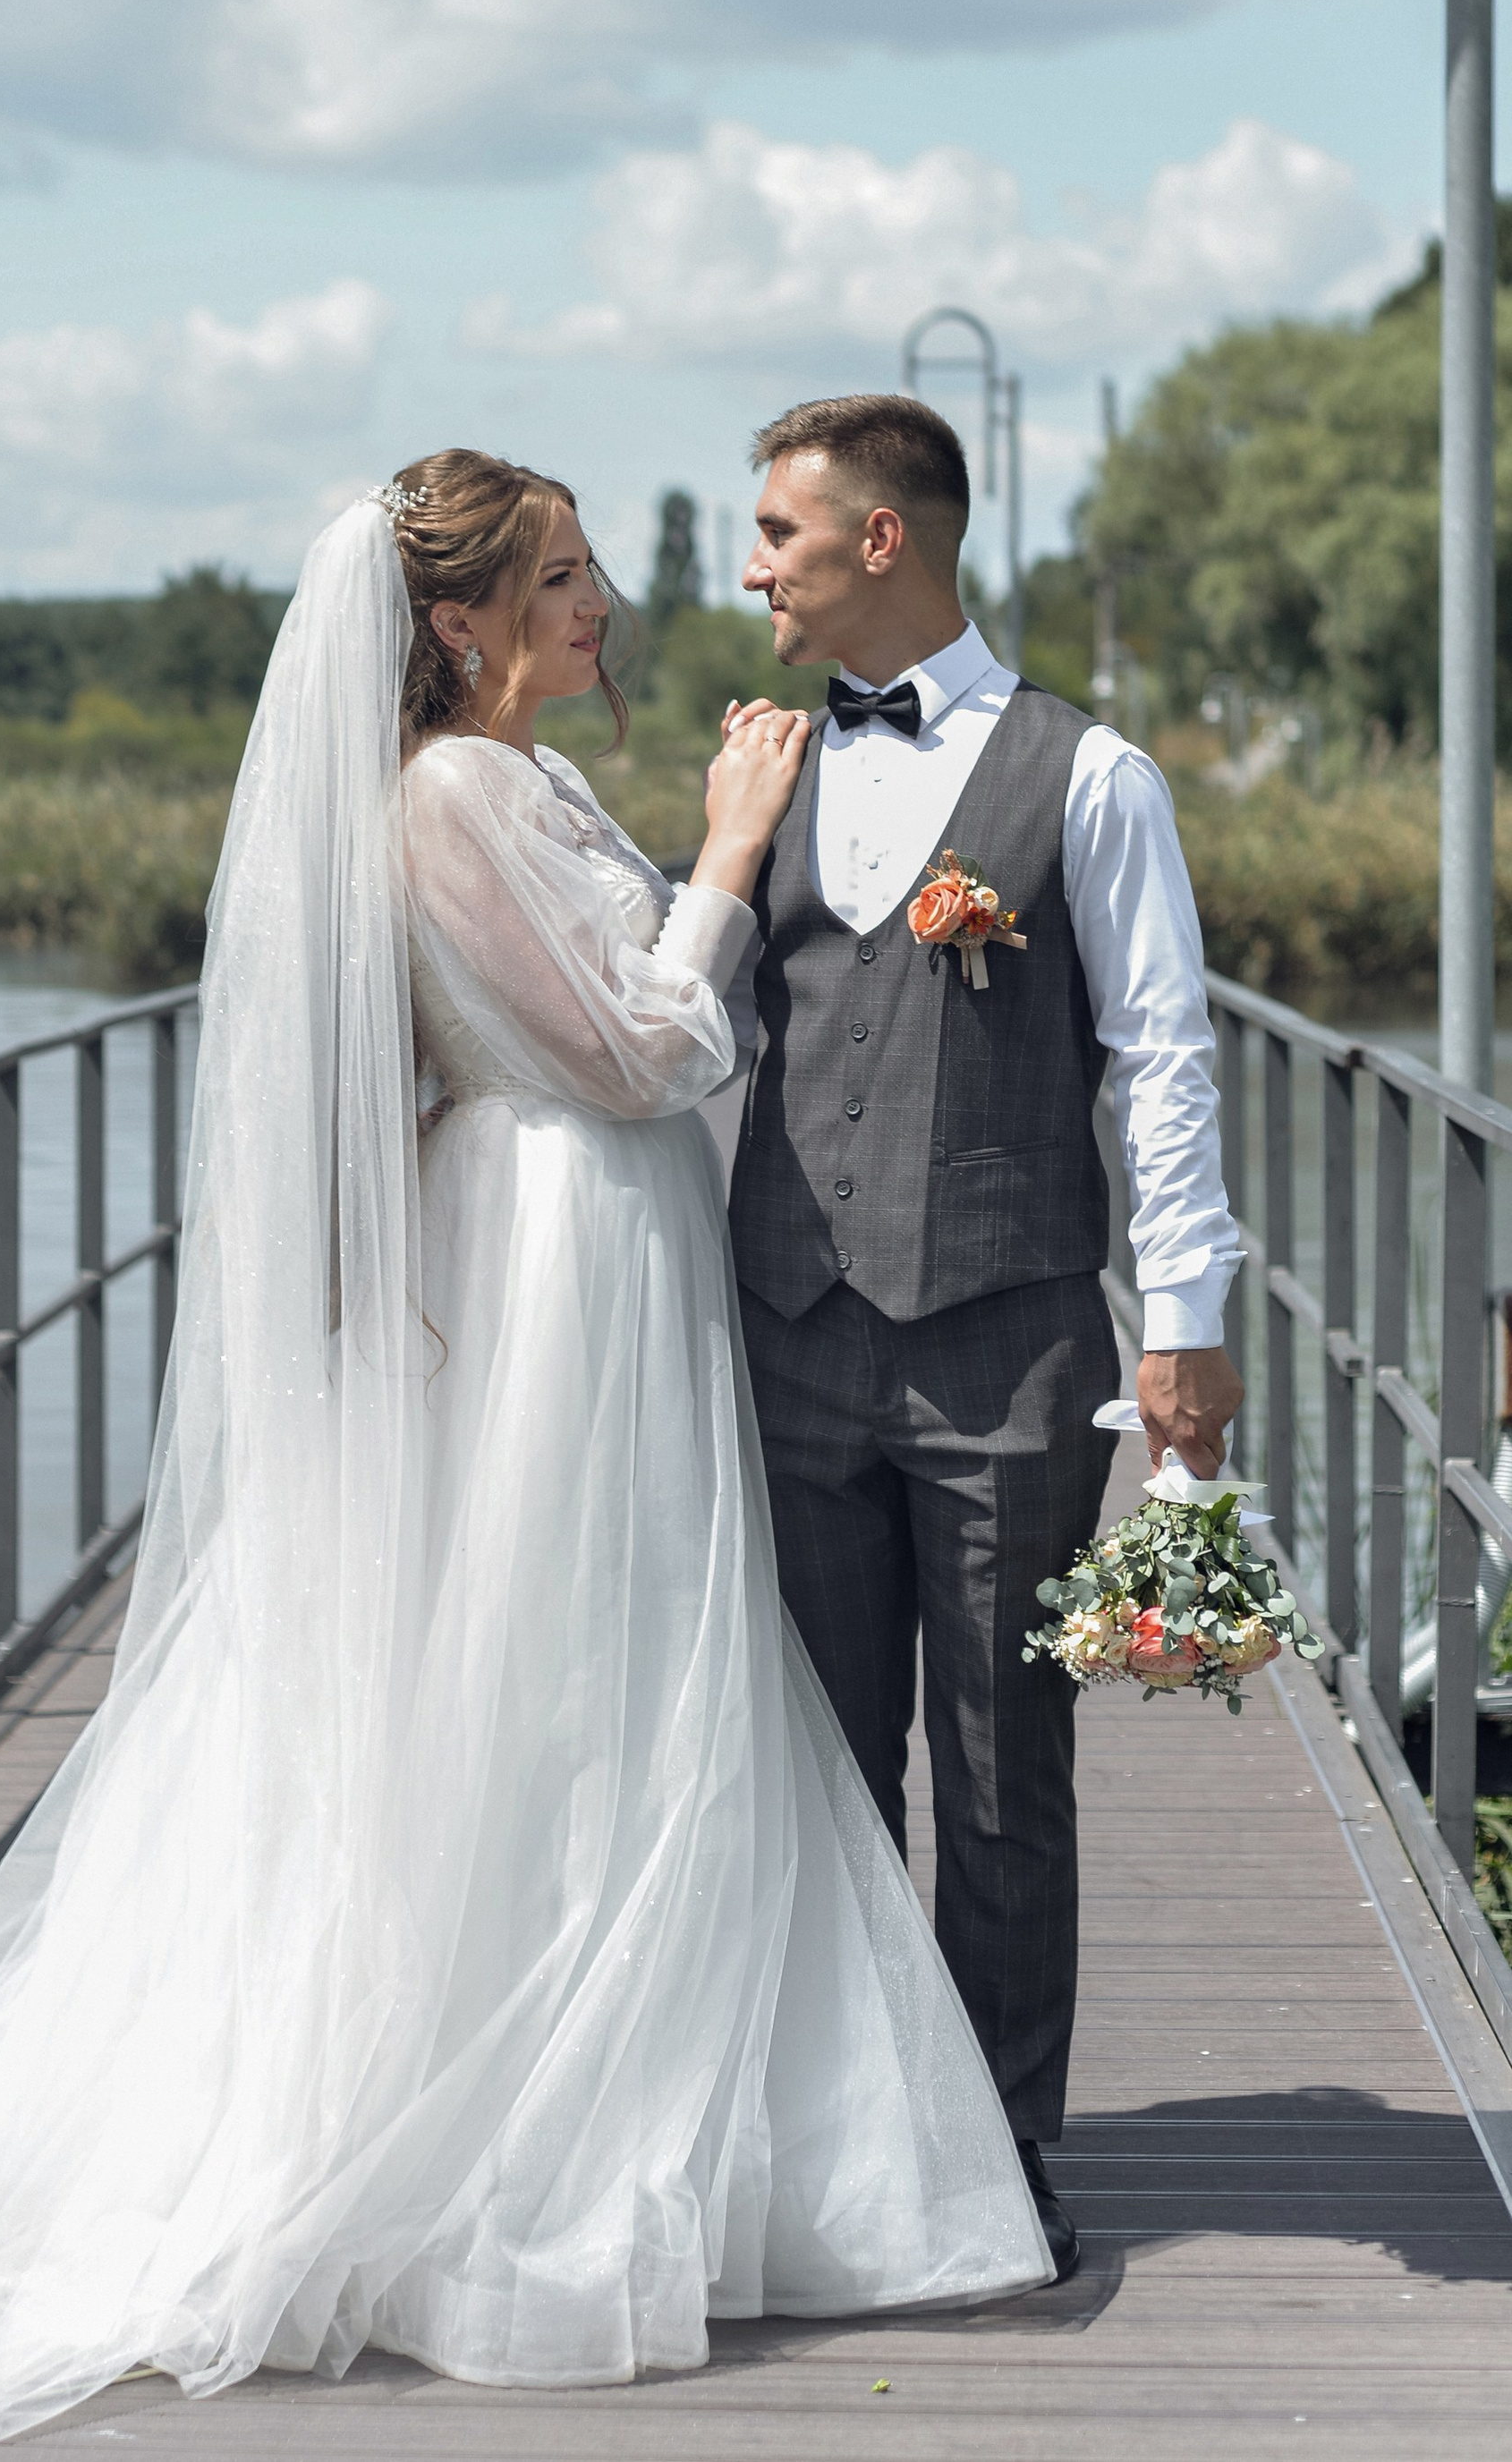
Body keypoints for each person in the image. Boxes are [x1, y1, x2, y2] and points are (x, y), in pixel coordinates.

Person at [0, 448, 1049, 2447]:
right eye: (557, 579)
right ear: (455, 619)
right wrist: (733, 846)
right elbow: (639, 1047)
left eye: (586, 573)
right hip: (553, 1247)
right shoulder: (446, 793)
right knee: (558, 1681)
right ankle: (513, 2139)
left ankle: (641, 2099)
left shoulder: (530, 778)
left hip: (604, 1242)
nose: (600, 607)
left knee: (623, 1676)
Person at [728, 392, 1244, 2284]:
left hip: (1006, 1340)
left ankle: (998, 2156)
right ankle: (837, 2143)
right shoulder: (757, 764)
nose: (750, 562)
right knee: (817, 1764)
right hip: (780, 1324)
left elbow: (1161, 1055)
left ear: (883, 539)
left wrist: (1181, 1318)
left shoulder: (1087, 775)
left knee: (1002, 1764)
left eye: (779, 528)